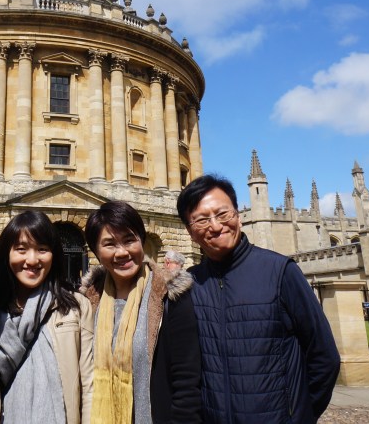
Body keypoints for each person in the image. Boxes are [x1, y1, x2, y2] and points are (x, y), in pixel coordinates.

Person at [176, 174, 339, 424]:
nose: (216, 226)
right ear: (190, 231)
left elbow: (324, 357)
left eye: (223, 214)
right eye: (202, 220)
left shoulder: (280, 271)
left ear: (238, 215)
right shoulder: (190, 283)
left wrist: (299, 416)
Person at [80, 200, 201, 423]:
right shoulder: (87, 302)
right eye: (109, 244)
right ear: (96, 251)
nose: (122, 252)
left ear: (142, 241)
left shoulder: (171, 297)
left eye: (129, 240)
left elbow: (187, 383)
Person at [0, 210, 93, 424]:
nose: (32, 260)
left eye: (42, 249)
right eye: (21, 249)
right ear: (7, 253)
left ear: (54, 255)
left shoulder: (77, 306)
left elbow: (89, 386)